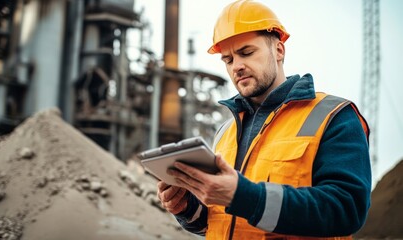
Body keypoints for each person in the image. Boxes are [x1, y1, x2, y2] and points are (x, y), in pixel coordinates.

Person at [156, 0, 371, 239]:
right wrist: (187, 208)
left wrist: (244, 196)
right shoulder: (225, 132)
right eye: (228, 60)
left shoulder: (333, 116)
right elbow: (221, 220)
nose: (237, 66)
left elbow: (347, 210)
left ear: (279, 50)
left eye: (246, 52)